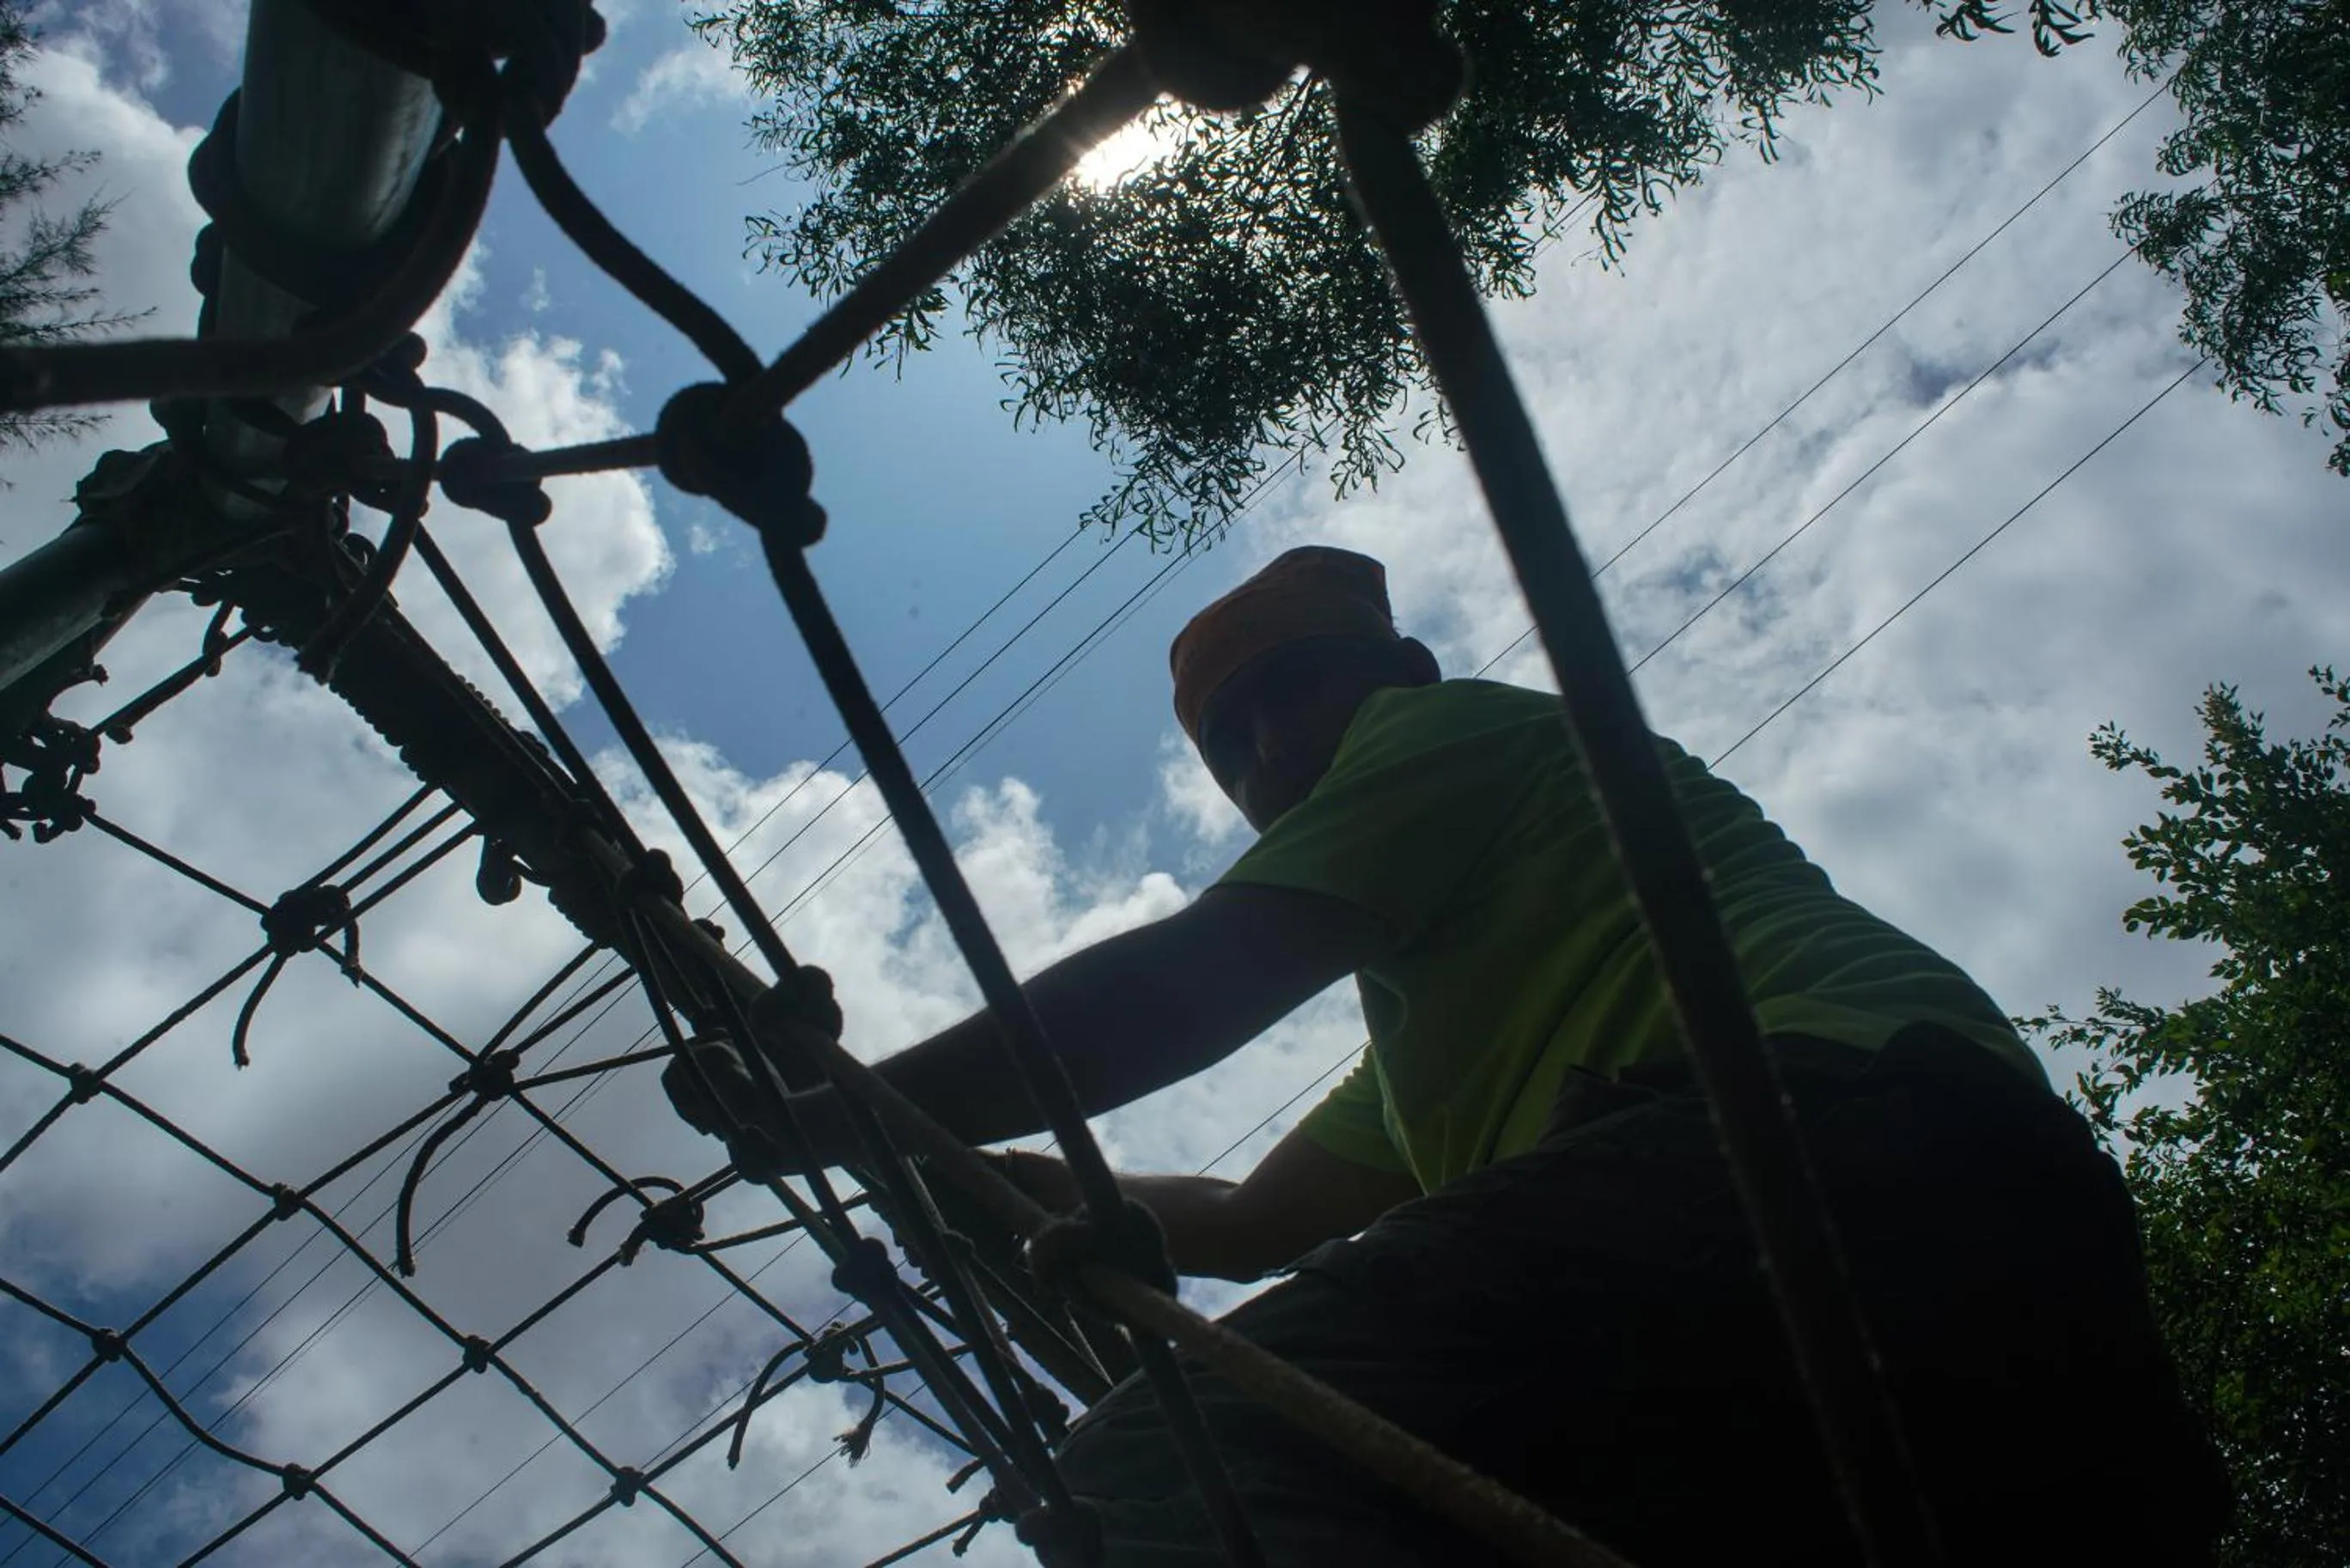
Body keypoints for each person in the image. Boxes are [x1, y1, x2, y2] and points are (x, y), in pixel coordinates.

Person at [671, 546, 2228, 1565]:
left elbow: (1195, 984)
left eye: (1298, 684)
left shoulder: (1458, 737)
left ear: (1395, 670)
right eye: (1231, 739)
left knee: (1170, 1469)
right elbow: (1245, 1225)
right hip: (1953, 1254)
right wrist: (981, 1182)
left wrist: (849, 1106)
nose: (1273, 743)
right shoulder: (1444, 1037)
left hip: (1812, 1133)